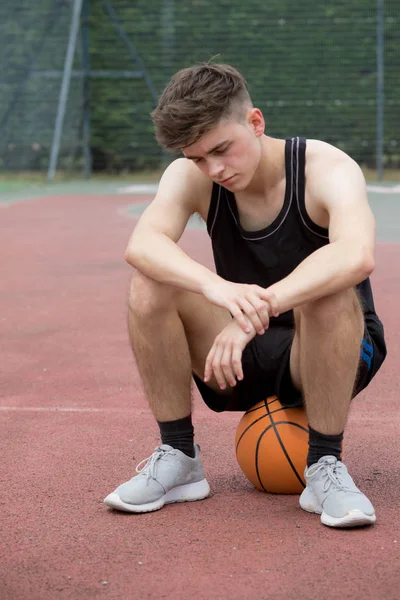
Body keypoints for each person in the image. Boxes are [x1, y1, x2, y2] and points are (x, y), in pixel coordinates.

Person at [104, 63, 386, 528]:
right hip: (241, 347)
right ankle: (178, 457)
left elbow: (356, 255)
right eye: (197, 158)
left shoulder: (325, 167)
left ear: (255, 122)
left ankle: (325, 466)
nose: (213, 169)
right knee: (150, 281)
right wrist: (216, 288)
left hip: (330, 345)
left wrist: (258, 309)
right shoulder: (193, 175)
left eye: (221, 150)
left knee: (331, 292)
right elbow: (143, 244)